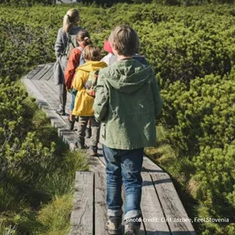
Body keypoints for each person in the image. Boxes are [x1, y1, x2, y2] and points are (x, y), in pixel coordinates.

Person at [94, 26, 163, 235]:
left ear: (113, 47)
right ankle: (132, 222)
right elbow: (157, 107)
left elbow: (99, 109)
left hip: (112, 136)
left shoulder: (105, 74)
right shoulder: (147, 72)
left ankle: (114, 220)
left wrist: (100, 116)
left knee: (112, 175)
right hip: (136, 137)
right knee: (133, 179)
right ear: (136, 46)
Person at [72, 45, 107, 153]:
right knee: (96, 125)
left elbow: (76, 85)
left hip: (84, 101)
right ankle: (94, 147)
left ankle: (80, 143)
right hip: (99, 100)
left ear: (85, 56)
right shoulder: (104, 68)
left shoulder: (82, 70)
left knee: (82, 122)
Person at [54, 9, 82, 115]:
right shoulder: (81, 31)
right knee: (77, 85)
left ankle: (62, 108)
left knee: (62, 84)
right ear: (76, 18)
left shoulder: (61, 31)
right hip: (77, 61)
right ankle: (76, 110)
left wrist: (60, 58)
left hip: (64, 60)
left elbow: (58, 47)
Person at [65, 29, 91, 130]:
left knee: (74, 102)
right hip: (91, 81)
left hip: (79, 80)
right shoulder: (93, 50)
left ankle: (71, 122)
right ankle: (89, 128)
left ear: (78, 40)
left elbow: (70, 69)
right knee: (90, 104)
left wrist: (68, 83)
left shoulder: (76, 51)